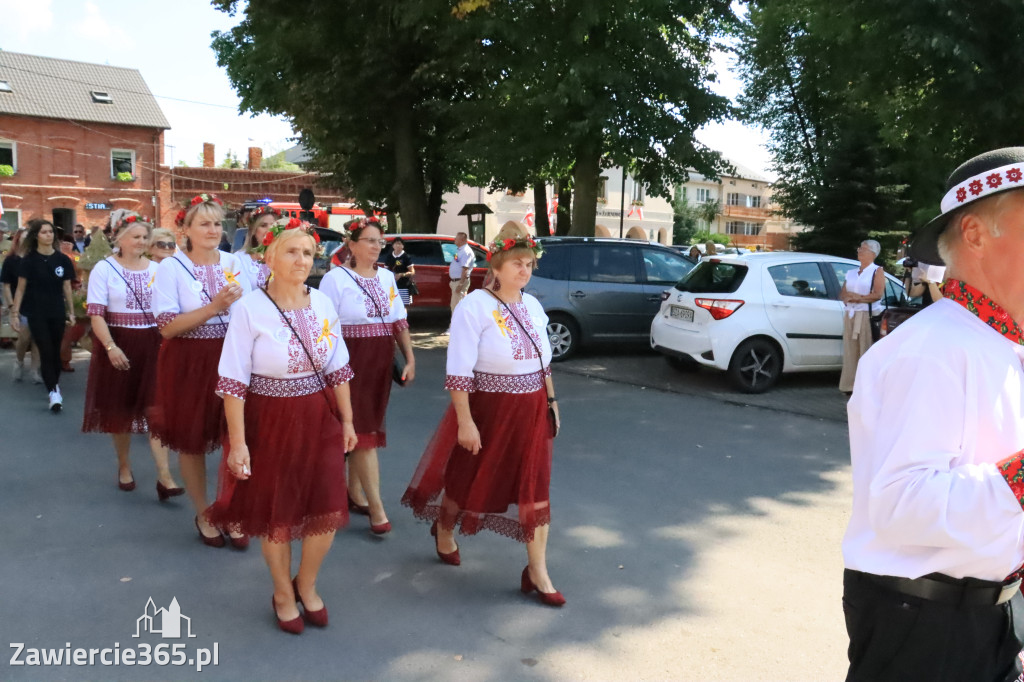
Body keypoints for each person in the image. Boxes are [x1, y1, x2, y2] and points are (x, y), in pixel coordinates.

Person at [842, 147, 1024, 680]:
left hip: (982, 615)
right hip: (926, 629)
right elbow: (902, 506)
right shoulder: (931, 349)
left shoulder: (996, 343)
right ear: (974, 232)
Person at [402, 221, 564, 607]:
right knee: (469, 474)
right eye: (516, 263)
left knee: (535, 484)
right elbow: (458, 370)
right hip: (489, 408)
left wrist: (552, 403)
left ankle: (536, 570)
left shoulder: (534, 306)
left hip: (531, 408)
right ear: (496, 266)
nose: (524, 270)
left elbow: (544, 364)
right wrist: (465, 421)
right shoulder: (475, 306)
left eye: (529, 263)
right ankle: (444, 526)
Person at [206, 224, 358, 634]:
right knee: (278, 512)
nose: (301, 261)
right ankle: (282, 593)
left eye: (308, 253)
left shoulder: (324, 303)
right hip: (268, 419)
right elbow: (233, 380)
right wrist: (238, 443)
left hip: (318, 418)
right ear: (268, 258)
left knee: (325, 507)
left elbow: (338, 368)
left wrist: (347, 421)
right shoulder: (250, 308)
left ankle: (306, 584)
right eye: (291, 252)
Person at [151, 194, 251, 548]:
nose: (213, 230)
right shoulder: (171, 268)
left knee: (236, 438)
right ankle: (205, 511)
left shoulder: (237, 263)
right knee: (192, 440)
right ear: (186, 229)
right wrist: (214, 307)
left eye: (217, 223)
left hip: (235, 359)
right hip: (190, 362)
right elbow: (167, 326)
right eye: (204, 223)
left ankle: (232, 508)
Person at [319, 219, 415, 534]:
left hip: (379, 361)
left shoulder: (387, 277)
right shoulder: (335, 280)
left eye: (379, 241)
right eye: (370, 240)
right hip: (349, 361)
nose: (377, 246)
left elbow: (399, 321)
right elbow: (325, 328)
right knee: (360, 434)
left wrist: (410, 358)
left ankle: (353, 492)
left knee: (367, 427)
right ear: (353, 243)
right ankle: (376, 509)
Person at [83, 214, 183, 499]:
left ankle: (164, 476)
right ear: (120, 238)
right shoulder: (105, 269)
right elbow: (96, 315)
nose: (141, 241)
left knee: (156, 409)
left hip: (153, 342)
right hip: (120, 342)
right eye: (136, 236)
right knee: (122, 410)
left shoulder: (157, 269)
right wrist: (111, 347)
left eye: (144, 237)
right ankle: (124, 465)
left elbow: (169, 308)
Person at [9, 219, 76, 412]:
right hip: (36, 312)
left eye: (51, 232)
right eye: (44, 232)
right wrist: (15, 314)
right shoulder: (28, 260)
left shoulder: (62, 260)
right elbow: (20, 289)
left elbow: (67, 288)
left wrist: (71, 312)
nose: (49, 235)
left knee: (55, 352)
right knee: (46, 350)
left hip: (57, 311)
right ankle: (54, 392)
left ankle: (54, 384)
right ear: (36, 236)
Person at [838, 240, 884, 393]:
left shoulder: (877, 271)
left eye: (863, 249)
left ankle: (866, 386)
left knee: (865, 349)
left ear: (873, 253)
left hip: (865, 315)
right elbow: (842, 292)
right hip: (850, 314)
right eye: (859, 248)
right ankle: (849, 384)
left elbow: (877, 294)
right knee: (850, 350)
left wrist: (858, 298)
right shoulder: (851, 273)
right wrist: (847, 297)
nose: (859, 251)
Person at [2, 228, 41, 383]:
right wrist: (11, 306)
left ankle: (34, 370)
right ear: (17, 240)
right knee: (24, 336)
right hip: (19, 304)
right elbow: (5, 286)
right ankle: (19, 361)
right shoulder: (11, 260)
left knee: (37, 337)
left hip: (37, 303)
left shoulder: (37, 258)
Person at [234, 205, 278, 289]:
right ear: (253, 230)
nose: (269, 230)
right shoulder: (240, 258)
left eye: (273, 225)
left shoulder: (284, 257)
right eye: (263, 225)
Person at [384, 237, 416, 305]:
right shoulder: (389, 257)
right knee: (391, 305)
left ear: (403, 246)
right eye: (396, 243)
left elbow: (412, 272)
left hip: (403, 285)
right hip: (391, 286)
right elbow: (385, 270)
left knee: (403, 306)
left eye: (399, 244)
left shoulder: (406, 257)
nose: (397, 245)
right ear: (393, 246)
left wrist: (401, 275)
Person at [449, 231, 475, 312]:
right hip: (455, 281)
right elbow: (458, 262)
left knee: (457, 307)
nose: (454, 239)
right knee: (454, 305)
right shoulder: (460, 250)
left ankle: (457, 324)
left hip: (459, 281)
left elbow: (465, 269)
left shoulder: (466, 252)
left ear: (462, 240)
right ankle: (455, 324)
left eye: (456, 238)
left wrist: (460, 284)